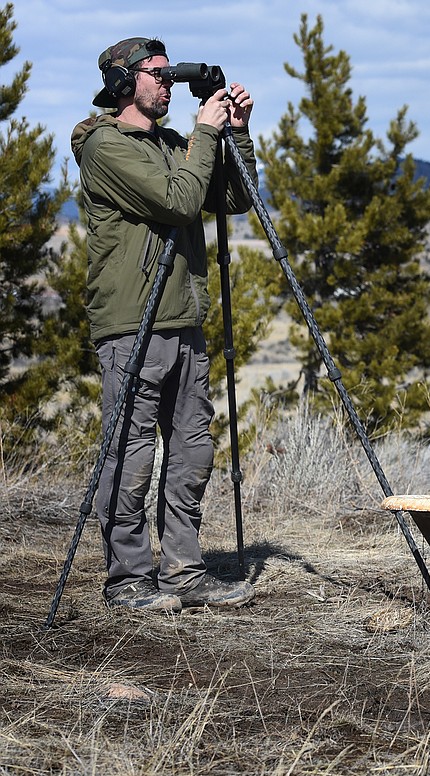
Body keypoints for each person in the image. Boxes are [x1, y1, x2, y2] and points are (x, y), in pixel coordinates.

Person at [70, 37, 259, 611]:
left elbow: (233, 198)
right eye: (156, 74)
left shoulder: (176, 144)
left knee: (191, 451)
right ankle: (129, 577)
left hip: (182, 316)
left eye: (169, 73)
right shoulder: (106, 146)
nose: (168, 83)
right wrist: (205, 133)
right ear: (125, 82)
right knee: (130, 453)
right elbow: (178, 202)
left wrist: (237, 133)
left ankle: (183, 570)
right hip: (132, 322)